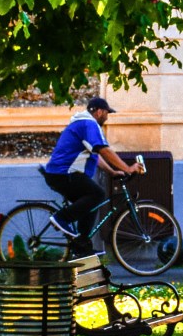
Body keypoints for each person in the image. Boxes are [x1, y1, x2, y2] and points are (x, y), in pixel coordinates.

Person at [41, 97, 143, 256]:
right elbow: (104, 150)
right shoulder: (89, 124)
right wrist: (128, 168)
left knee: (91, 204)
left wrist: (113, 172)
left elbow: (96, 155)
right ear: (99, 111)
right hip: (64, 174)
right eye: (107, 113)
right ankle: (61, 218)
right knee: (97, 194)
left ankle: (82, 247)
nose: (107, 117)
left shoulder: (83, 124)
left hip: (60, 174)